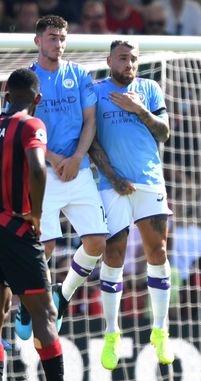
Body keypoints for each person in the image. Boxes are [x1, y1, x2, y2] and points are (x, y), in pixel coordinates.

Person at [0, 68, 95, 381]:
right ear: (37, 100)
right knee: (44, 311)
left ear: (6, 96)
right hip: (17, 230)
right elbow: (38, 168)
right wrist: (36, 214)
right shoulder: (31, 125)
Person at [16, 15, 109, 341]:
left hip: (78, 169)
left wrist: (77, 158)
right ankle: (28, 303)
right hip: (43, 170)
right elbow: (20, 127)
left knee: (97, 242)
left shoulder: (79, 74)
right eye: (52, 37)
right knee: (47, 245)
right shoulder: (27, 80)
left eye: (62, 38)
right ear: (38, 40)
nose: (58, 43)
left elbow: (90, 123)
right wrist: (56, 159)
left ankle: (64, 293)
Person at [87, 40, 174, 370]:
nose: (129, 63)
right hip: (112, 185)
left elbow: (164, 133)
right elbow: (91, 140)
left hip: (150, 180)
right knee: (114, 255)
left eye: (134, 58)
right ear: (109, 59)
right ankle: (112, 334)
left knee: (159, 252)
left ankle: (160, 330)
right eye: (123, 58)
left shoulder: (149, 89)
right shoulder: (96, 91)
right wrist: (112, 176)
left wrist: (140, 109)